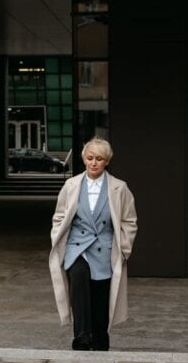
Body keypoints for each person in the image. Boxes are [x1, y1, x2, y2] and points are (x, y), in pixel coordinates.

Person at [48, 137, 138, 351]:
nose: (94, 163)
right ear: (83, 159)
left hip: (105, 250)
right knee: (78, 282)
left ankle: (100, 341)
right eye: (90, 158)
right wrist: (58, 239)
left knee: (100, 299)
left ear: (107, 161)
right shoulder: (71, 185)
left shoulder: (119, 188)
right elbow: (59, 215)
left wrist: (124, 250)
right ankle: (81, 336)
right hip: (76, 248)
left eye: (99, 158)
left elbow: (129, 221)